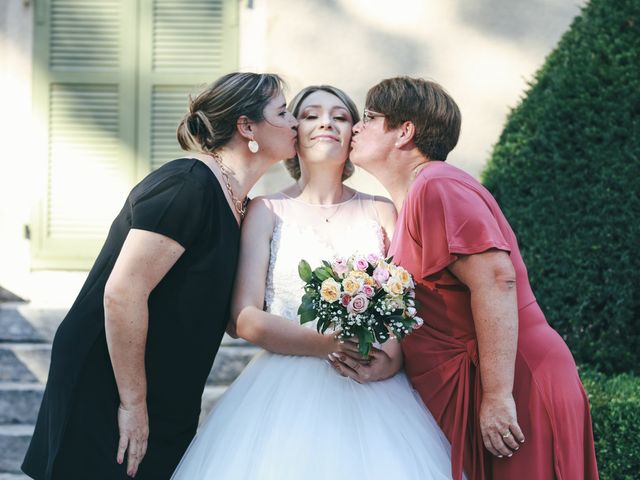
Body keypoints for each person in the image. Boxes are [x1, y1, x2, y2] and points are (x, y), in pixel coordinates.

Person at [171, 85, 459, 479]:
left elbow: (406, 303)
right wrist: (327, 344)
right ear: (294, 133)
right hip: (283, 391)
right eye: (310, 115)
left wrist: (392, 358)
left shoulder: (381, 210)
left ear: (353, 134)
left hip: (373, 386)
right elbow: (244, 317)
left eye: (341, 116)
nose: (327, 121)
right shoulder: (266, 210)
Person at [21, 72, 298, 480]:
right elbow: (122, 293)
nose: (295, 123)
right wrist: (132, 404)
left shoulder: (243, 206)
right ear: (247, 127)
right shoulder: (188, 184)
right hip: (111, 384)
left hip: (170, 389)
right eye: (284, 112)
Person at [332, 76, 599, 479]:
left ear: (405, 132)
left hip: (516, 380)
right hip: (488, 381)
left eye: (369, 117)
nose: (355, 126)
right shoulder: (416, 198)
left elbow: (496, 279)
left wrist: (497, 396)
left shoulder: (437, 185)